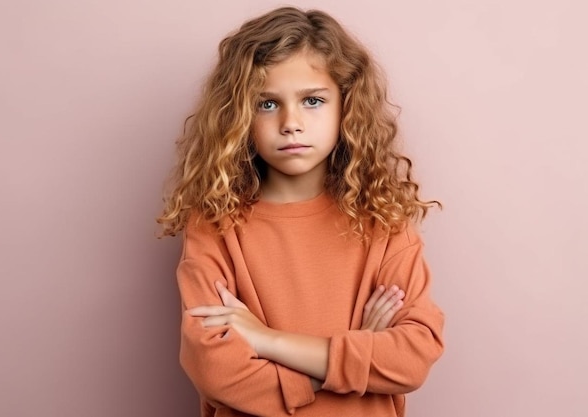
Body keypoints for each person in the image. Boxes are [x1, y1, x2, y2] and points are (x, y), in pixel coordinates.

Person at [158, 6, 444, 417]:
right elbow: (218, 373)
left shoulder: (384, 225)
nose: (291, 122)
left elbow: (412, 358)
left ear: (347, 107)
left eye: (312, 100)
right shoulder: (215, 228)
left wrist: (266, 341)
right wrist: (353, 355)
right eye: (267, 104)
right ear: (238, 115)